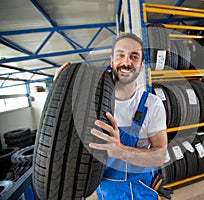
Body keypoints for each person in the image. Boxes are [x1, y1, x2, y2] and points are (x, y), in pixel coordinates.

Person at [55, 33, 168, 200]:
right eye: (120, 55)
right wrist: (60, 90)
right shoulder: (90, 103)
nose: (127, 62)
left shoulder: (152, 104)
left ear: (142, 65)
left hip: (141, 192)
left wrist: (121, 151)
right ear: (112, 61)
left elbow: (160, 156)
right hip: (104, 192)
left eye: (134, 57)